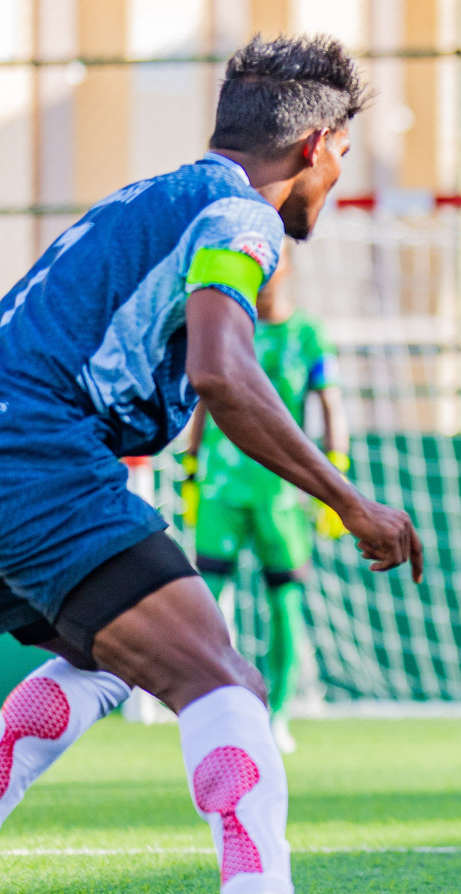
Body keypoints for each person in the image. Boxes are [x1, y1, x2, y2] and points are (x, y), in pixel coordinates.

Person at [0, 36, 423, 894]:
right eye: (343, 158)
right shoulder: (241, 217)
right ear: (316, 147)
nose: (336, 180)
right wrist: (349, 500)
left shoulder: (137, 202)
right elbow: (222, 372)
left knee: (108, 660)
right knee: (223, 678)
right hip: (32, 458)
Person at [183, 240, 347, 754]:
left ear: (288, 269)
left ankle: (278, 715)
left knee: (285, 604)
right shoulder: (230, 325)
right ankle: (215, 711)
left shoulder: (308, 335)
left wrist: (336, 480)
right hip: (221, 485)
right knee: (205, 604)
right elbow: (204, 396)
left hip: (281, 492)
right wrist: (190, 467)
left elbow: (331, 405)